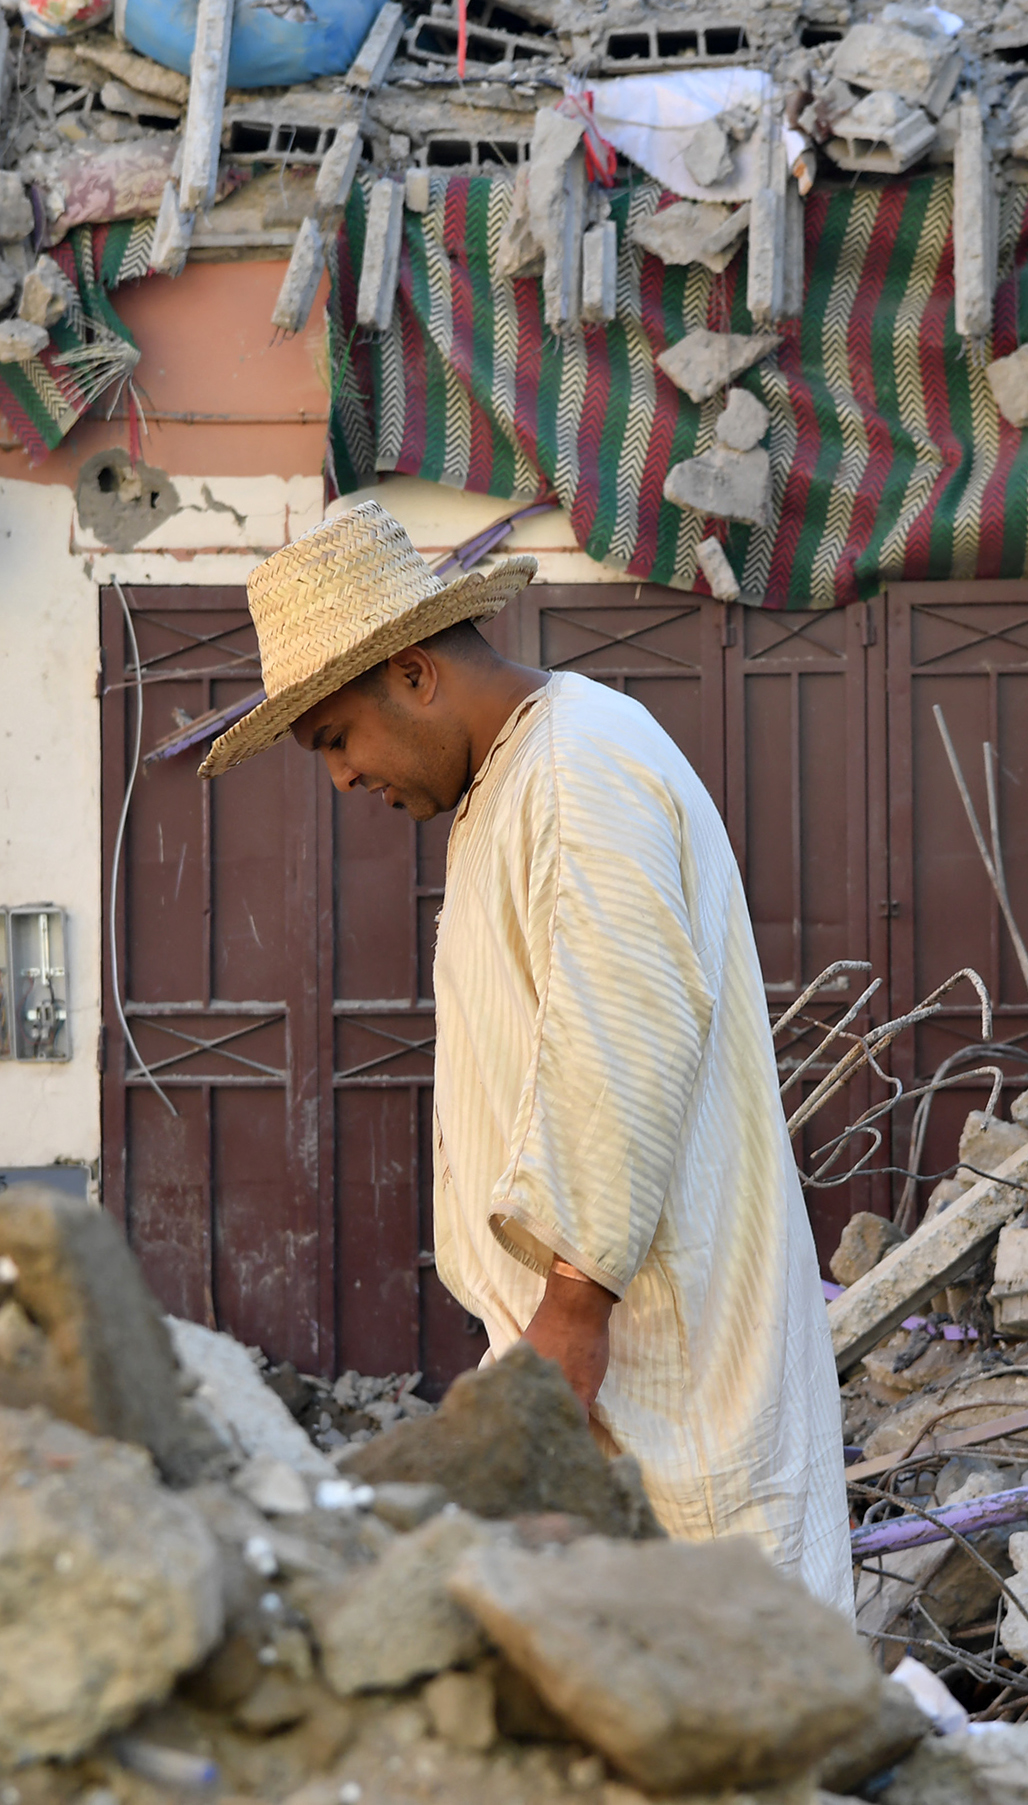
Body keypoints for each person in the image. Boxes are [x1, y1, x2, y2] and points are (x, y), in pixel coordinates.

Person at [199, 501, 852, 1610]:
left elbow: (620, 1041)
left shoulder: (580, 768)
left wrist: (571, 1309)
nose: (342, 780)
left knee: (724, 1709)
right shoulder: (519, 778)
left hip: (661, 1378)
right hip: (607, 1369)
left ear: (411, 674)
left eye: (334, 739)